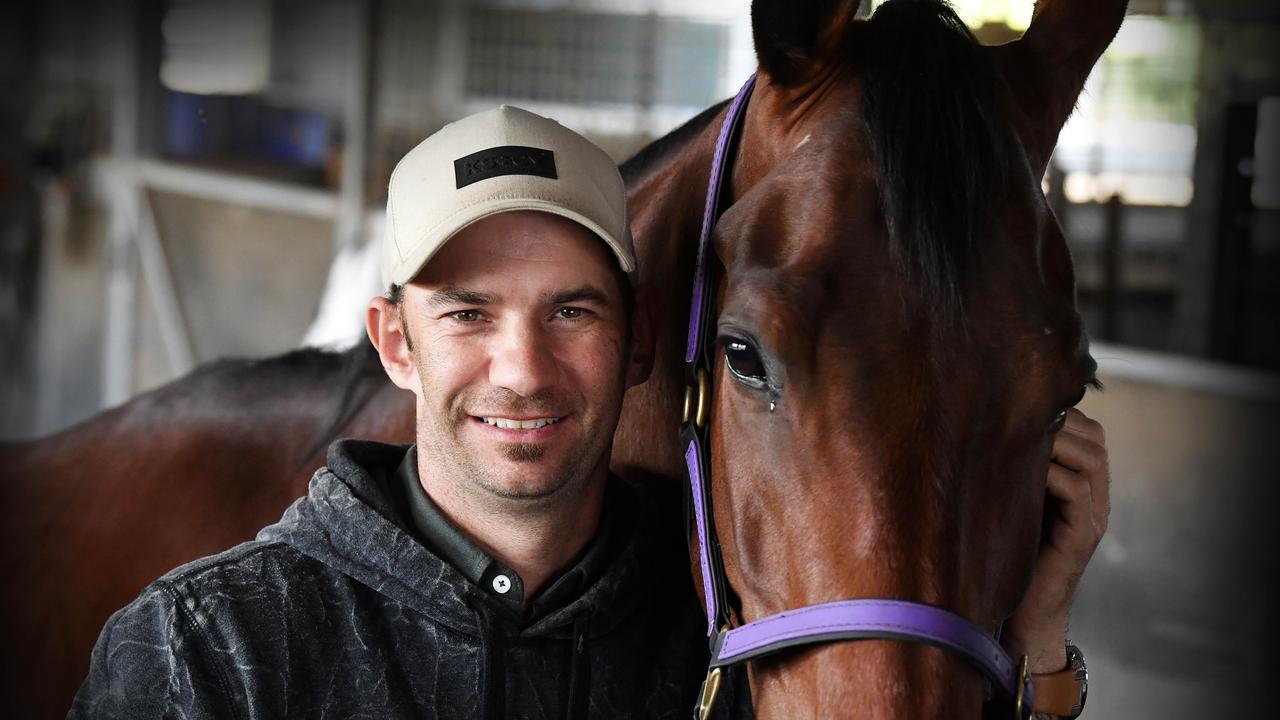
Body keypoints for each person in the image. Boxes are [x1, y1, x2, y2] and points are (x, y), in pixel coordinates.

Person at [70, 106, 1109, 718]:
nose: (520, 369)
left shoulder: (725, 633)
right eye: (468, 313)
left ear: (641, 338)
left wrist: (1041, 627)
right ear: (395, 342)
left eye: (570, 310)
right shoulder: (206, 648)